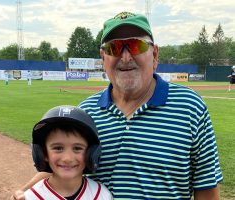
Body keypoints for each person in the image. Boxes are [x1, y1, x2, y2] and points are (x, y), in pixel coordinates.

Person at [12, 11, 223, 200]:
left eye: (136, 45)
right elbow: (63, 163)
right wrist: (23, 192)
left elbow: (206, 186)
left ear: (155, 55)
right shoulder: (87, 112)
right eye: (114, 48)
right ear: (103, 58)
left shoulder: (190, 106)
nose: (125, 56)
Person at [23, 105, 112, 199]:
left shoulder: (102, 195)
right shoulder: (31, 197)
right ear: (44, 153)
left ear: (91, 153)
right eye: (58, 148)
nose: (67, 158)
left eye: (77, 148)